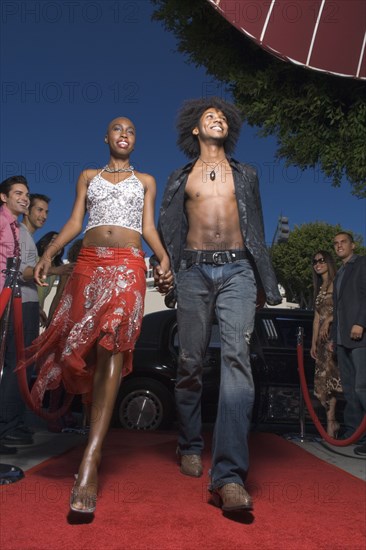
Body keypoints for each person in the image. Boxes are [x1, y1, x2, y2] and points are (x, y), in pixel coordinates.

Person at [17, 117, 170, 513]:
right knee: (86, 350)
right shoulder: (88, 176)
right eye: (117, 129)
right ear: (106, 137)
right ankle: (91, 430)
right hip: (88, 264)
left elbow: (148, 226)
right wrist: (49, 255)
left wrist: (164, 256)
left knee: (114, 344)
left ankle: (92, 457)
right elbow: (74, 221)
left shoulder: (148, 181)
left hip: (129, 266)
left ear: (135, 141)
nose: (124, 134)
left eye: (132, 130)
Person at [154, 97, 281, 513]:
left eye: (224, 116)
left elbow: (256, 229)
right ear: (195, 128)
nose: (218, 118)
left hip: (239, 270)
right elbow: (168, 227)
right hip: (192, 272)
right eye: (210, 115)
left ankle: (228, 476)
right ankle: (189, 443)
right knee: (189, 361)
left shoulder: (246, 174)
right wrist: (166, 265)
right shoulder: (179, 177)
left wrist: (265, 281)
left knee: (236, 360)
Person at [0, 175, 30, 455]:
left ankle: (4, 431)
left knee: (9, 363)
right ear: (4, 197)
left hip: (8, 302)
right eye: (18, 193)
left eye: (26, 194)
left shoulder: (16, 228)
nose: (24, 198)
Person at [330, 232, 366, 456]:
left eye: (343, 242)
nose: (339, 246)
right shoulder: (340, 272)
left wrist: (360, 323)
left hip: (360, 337)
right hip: (342, 340)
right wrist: (335, 338)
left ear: (352, 245)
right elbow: (337, 310)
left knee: (363, 387)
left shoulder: (361, 263)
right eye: (335, 244)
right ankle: (355, 432)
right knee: (351, 390)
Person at [310, 250, 342, 437]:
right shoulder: (320, 287)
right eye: (315, 262)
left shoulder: (337, 282)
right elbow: (316, 319)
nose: (318, 264)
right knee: (323, 383)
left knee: (333, 381)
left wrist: (330, 318)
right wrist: (313, 344)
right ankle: (331, 422)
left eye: (321, 260)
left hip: (335, 338)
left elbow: (343, 307)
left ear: (328, 262)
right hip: (322, 343)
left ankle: (332, 423)